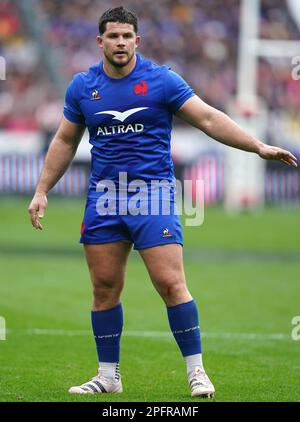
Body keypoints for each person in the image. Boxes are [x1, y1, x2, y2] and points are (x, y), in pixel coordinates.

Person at [28, 6, 297, 398]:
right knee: (104, 289)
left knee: (171, 284)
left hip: (152, 194)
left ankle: (197, 373)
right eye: (112, 36)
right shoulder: (82, 87)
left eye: (126, 36)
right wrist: (41, 190)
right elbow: (65, 140)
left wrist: (256, 146)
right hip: (105, 197)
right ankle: (108, 377)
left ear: (137, 41)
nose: (120, 43)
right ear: (100, 41)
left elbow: (206, 117)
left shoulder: (161, 80)